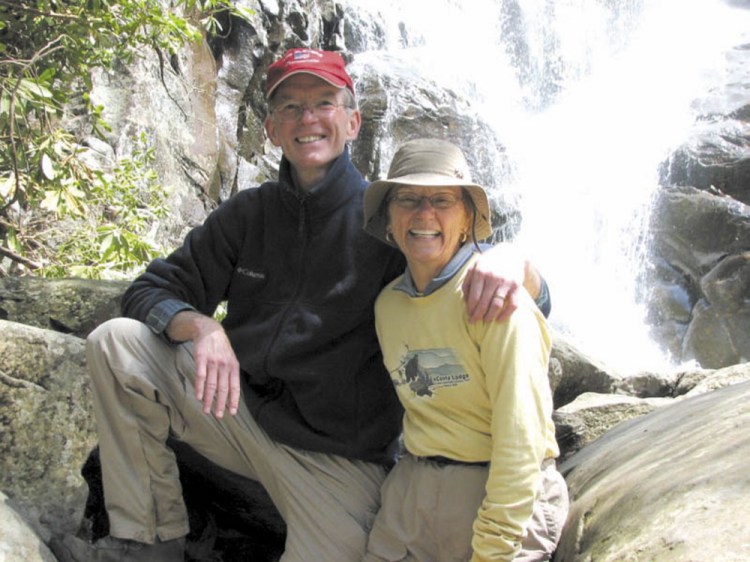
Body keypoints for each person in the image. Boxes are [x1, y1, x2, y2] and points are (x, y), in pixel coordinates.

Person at [50, 49, 551, 562]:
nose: (307, 119)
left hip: (338, 461)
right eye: (290, 107)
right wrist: (202, 327)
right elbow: (147, 290)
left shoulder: (391, 226)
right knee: (118, 343)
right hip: (238, 417)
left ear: (353, 121)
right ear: (270, 128)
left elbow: (477, 277)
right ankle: (147, 543)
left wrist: (517, 262)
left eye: (324, 103)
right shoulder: (248, 214)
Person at [360, 138, 569, 562]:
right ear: (388, 217)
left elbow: (522, 437)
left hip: (499, 494)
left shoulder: (495, 298)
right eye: (408, 199)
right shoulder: (388, 306)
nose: (424, 214)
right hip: (412, 495)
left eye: (442, 200)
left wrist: (495, 545)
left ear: (468, 217)